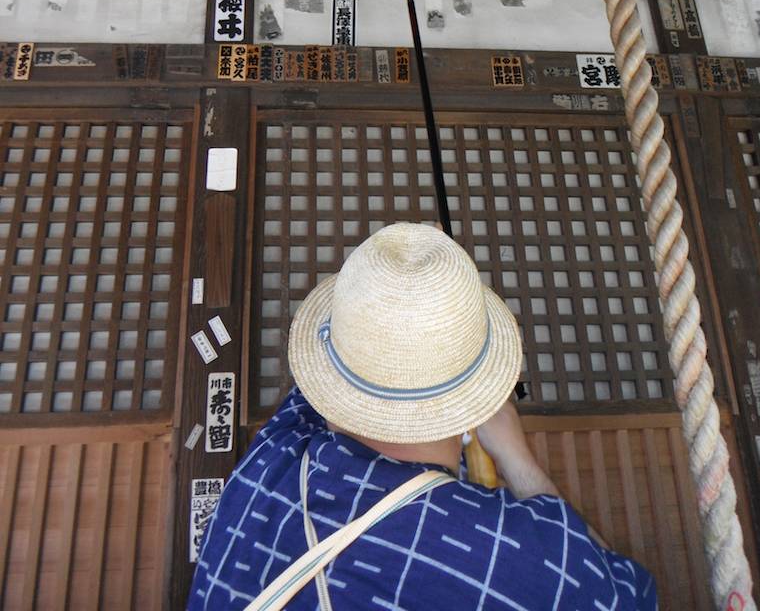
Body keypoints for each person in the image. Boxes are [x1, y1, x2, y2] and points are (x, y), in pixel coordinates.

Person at [189, 222, 657, 610]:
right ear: (478, 398)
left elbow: (331, 380)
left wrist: (395, 292)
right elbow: (629, 596)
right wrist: (516, 458)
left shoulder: (272, 461)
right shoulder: (511, 557)